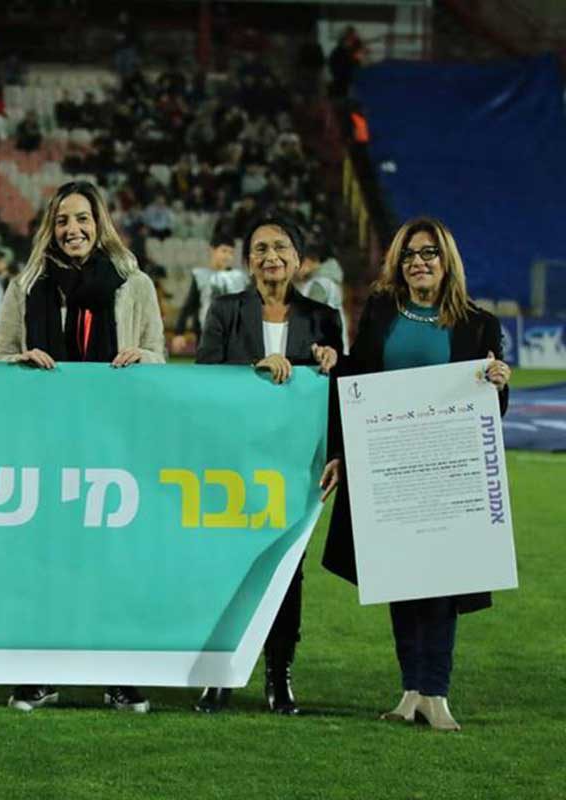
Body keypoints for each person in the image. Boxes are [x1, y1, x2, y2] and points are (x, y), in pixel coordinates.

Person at [322, 217, 511, 732]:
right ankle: (410, 691)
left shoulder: (479, 323)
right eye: (408, 255)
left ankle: (437, 693)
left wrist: (499, 382)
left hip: (449, 474)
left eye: (428, 253)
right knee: (399, 579)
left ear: (447, 260)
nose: (418, 262)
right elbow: (356, 382)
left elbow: (493, 409)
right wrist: (339, 446)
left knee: (443, 583)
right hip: (387, 469)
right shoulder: (381, 310)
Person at [0, 180, 165, 714]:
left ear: (99, 222)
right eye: (63, 220)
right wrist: (18, 362)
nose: (73, 229)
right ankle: (41, 673)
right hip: (45, 446)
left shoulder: (134, 284)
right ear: (51, 228)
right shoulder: (26, 286)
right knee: (47, 561)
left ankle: (119, 674)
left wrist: (143, 360)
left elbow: (158, 356)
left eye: (82, 218)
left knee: (113, 562)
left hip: (114, 446)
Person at [193, 213, 342, 715]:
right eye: (260, 248)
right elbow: (205, 378)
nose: (270, 256)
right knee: (227, 566)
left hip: (293, 466)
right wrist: (251, 370)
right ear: (248, 260)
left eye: (280, 247)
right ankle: (219, 675)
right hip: (232, 462)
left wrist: (331, 362)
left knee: (287, 570)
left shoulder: (323, 318)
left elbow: (336, 389)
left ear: (298, 259)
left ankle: (279, 676)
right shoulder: (225, 310)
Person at [170, 233, 244, 355]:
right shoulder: (200, 276)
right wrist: (179, 333)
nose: (227, 256)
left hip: (233, 337)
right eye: (224, 251)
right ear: (212, 250)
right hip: (205, 335)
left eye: (231, 253)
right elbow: (190, 305)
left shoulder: (239, 278)